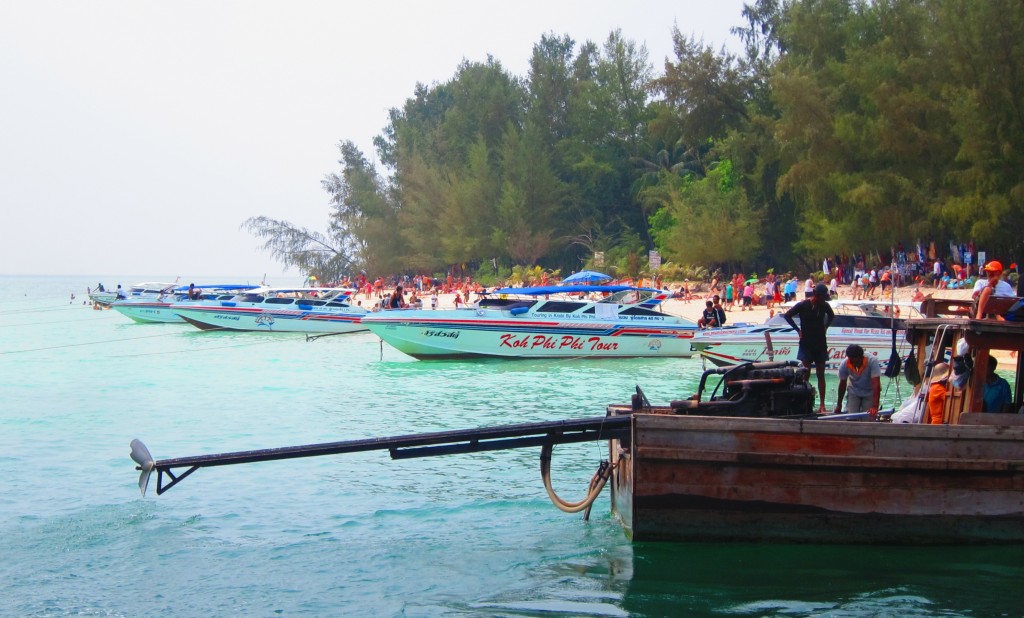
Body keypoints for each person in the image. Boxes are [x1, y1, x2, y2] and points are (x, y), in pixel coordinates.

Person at [784, 283, 836, 414]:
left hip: (820, 343)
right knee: (805, 374)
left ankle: (822, 405)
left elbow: (831, 315)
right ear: (816, 295)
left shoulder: (824, 306)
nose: (823, 300)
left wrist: (825, 326)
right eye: (822, 297)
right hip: (806, 343)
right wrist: (797, 330)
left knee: (821, 375)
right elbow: (787, 315)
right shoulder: (803, 305)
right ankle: (805, 404)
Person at [834, 344, 881, 417]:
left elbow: (876, 384)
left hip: (870, 392)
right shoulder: (844, 363)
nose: (855, 364)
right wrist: (838, 405)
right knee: (851, 417)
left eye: (857, 361)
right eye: (852, 361)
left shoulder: (872, 361)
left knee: (868, 418)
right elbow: (842, 384)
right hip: (854, 391)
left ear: (861, 357)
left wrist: (875, 406)